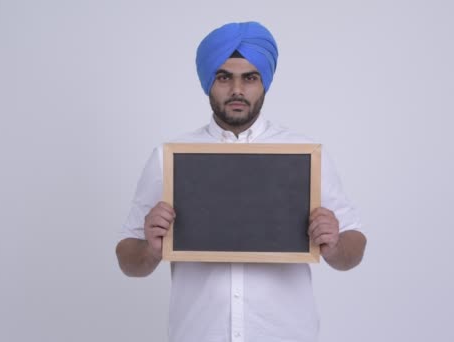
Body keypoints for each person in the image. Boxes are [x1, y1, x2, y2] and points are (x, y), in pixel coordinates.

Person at [116, 21, 367, 342]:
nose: (237, 90)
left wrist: (334, 246)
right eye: (224, 77)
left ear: (264, 82)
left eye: (249, 77)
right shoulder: (169, 158)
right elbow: (128, 258)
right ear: (208, 82)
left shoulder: (304, 155)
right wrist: (151, 249)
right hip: (198, 333)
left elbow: (353, 248)